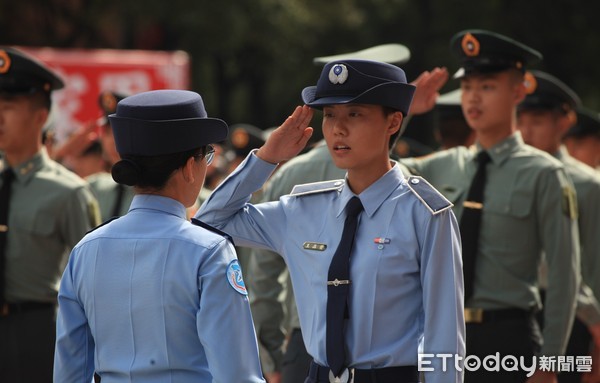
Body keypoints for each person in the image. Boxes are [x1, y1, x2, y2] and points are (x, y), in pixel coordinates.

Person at [197, 59, 465, 383]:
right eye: (330, 116)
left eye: (355, 114)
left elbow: (445, 335)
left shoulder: (425, 214)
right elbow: (211, 221)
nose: (338, 129)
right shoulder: (302, 210)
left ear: (393, 122)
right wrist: (266, 157)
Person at [402, 30, 580, 383]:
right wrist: (403, 111)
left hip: (508, 339)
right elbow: (377, 169)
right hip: (441, 337)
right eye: (467, 87)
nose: (473, 98)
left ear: (518, 91)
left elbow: (564, 276)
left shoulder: (544, 173)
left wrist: (550, 364)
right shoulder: (441, 165)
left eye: (487, 87)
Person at [53, 89, 265, 382]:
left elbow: (70, 372)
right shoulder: (209, 250)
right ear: (191, 167)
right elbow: (238, 374)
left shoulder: (86, 250)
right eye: (207, 155)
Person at [0, 46, 101, 382]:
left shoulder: (68, 192)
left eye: (8, 108)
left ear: (40, 116)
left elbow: (94, 283)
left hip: (37, 332)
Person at [516, 70, 600, 383]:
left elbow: (593, 263)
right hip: (515, 316)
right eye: (520, 120)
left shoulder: (587, 185)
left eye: (536, 120)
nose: (525, 131)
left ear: (564, 122)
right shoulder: (505, 174)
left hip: (573, 319)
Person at [85, 90, 135, 221]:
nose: (113, 141)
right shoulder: (95, 188)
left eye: (121, 131)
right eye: (108, 132)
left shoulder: (163, 192)